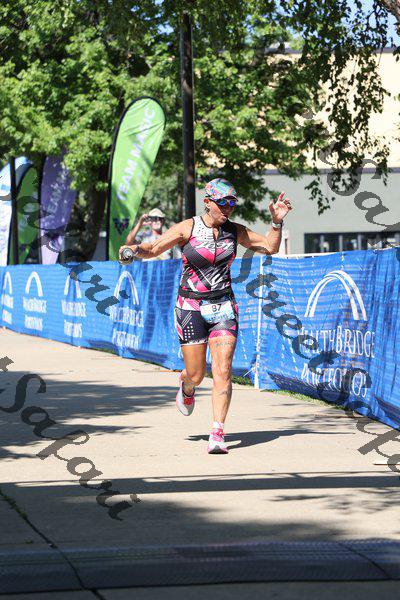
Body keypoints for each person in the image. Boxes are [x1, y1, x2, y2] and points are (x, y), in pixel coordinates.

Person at [119, 178, 292, 454]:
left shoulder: (234, 231)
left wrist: (276, 222)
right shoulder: (188, 228)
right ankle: (186, 386)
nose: (228, 208)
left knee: (222, 370)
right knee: (197, 374)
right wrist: (134, 250)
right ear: (208, 202)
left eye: (232, 203)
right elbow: (154, 248)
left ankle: (217, 432)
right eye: (223, 203)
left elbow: (269, 247)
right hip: (190, 306)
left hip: (223, 305)